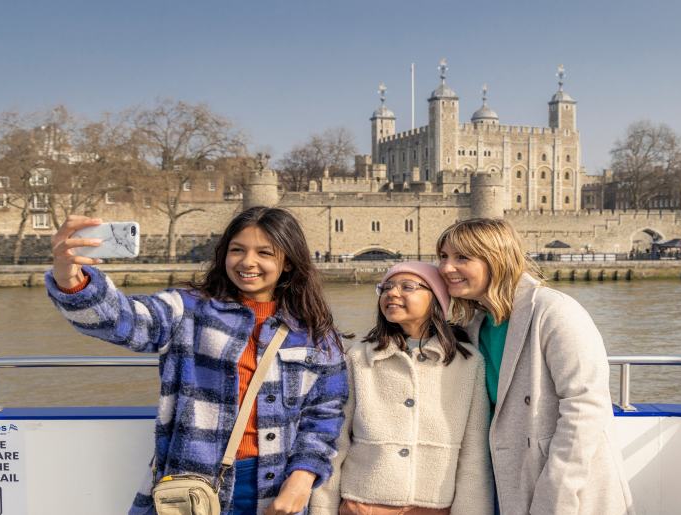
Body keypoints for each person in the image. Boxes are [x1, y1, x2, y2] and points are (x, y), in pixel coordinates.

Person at [45, 207, 349, 515]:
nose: (247, 262)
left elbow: (324, 417)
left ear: (288, 263)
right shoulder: (188, 310)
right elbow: (121, 320)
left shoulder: (316, 334)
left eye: (265, 253)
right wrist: (69, 277)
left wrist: (301, 479)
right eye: (237, 250)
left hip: (275, 489)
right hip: (193, 488)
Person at [436, 218, 634, 515]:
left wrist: (556, 495)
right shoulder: (475, 325)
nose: (446, 268)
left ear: (496, 260)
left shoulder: (554, 311)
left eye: (462, 257)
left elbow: (586, 408)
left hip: (561, 488)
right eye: (443, 257)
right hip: (505, 483)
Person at [310, 262, 493, 515]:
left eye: (407, 287)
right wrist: (321, 509)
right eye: (386, 287)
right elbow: (336, 442)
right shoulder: (358, 357)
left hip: (436, 507)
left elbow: (474, 453)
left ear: (437, 299)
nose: (392, 293)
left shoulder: (468, 363)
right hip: (362, 504)